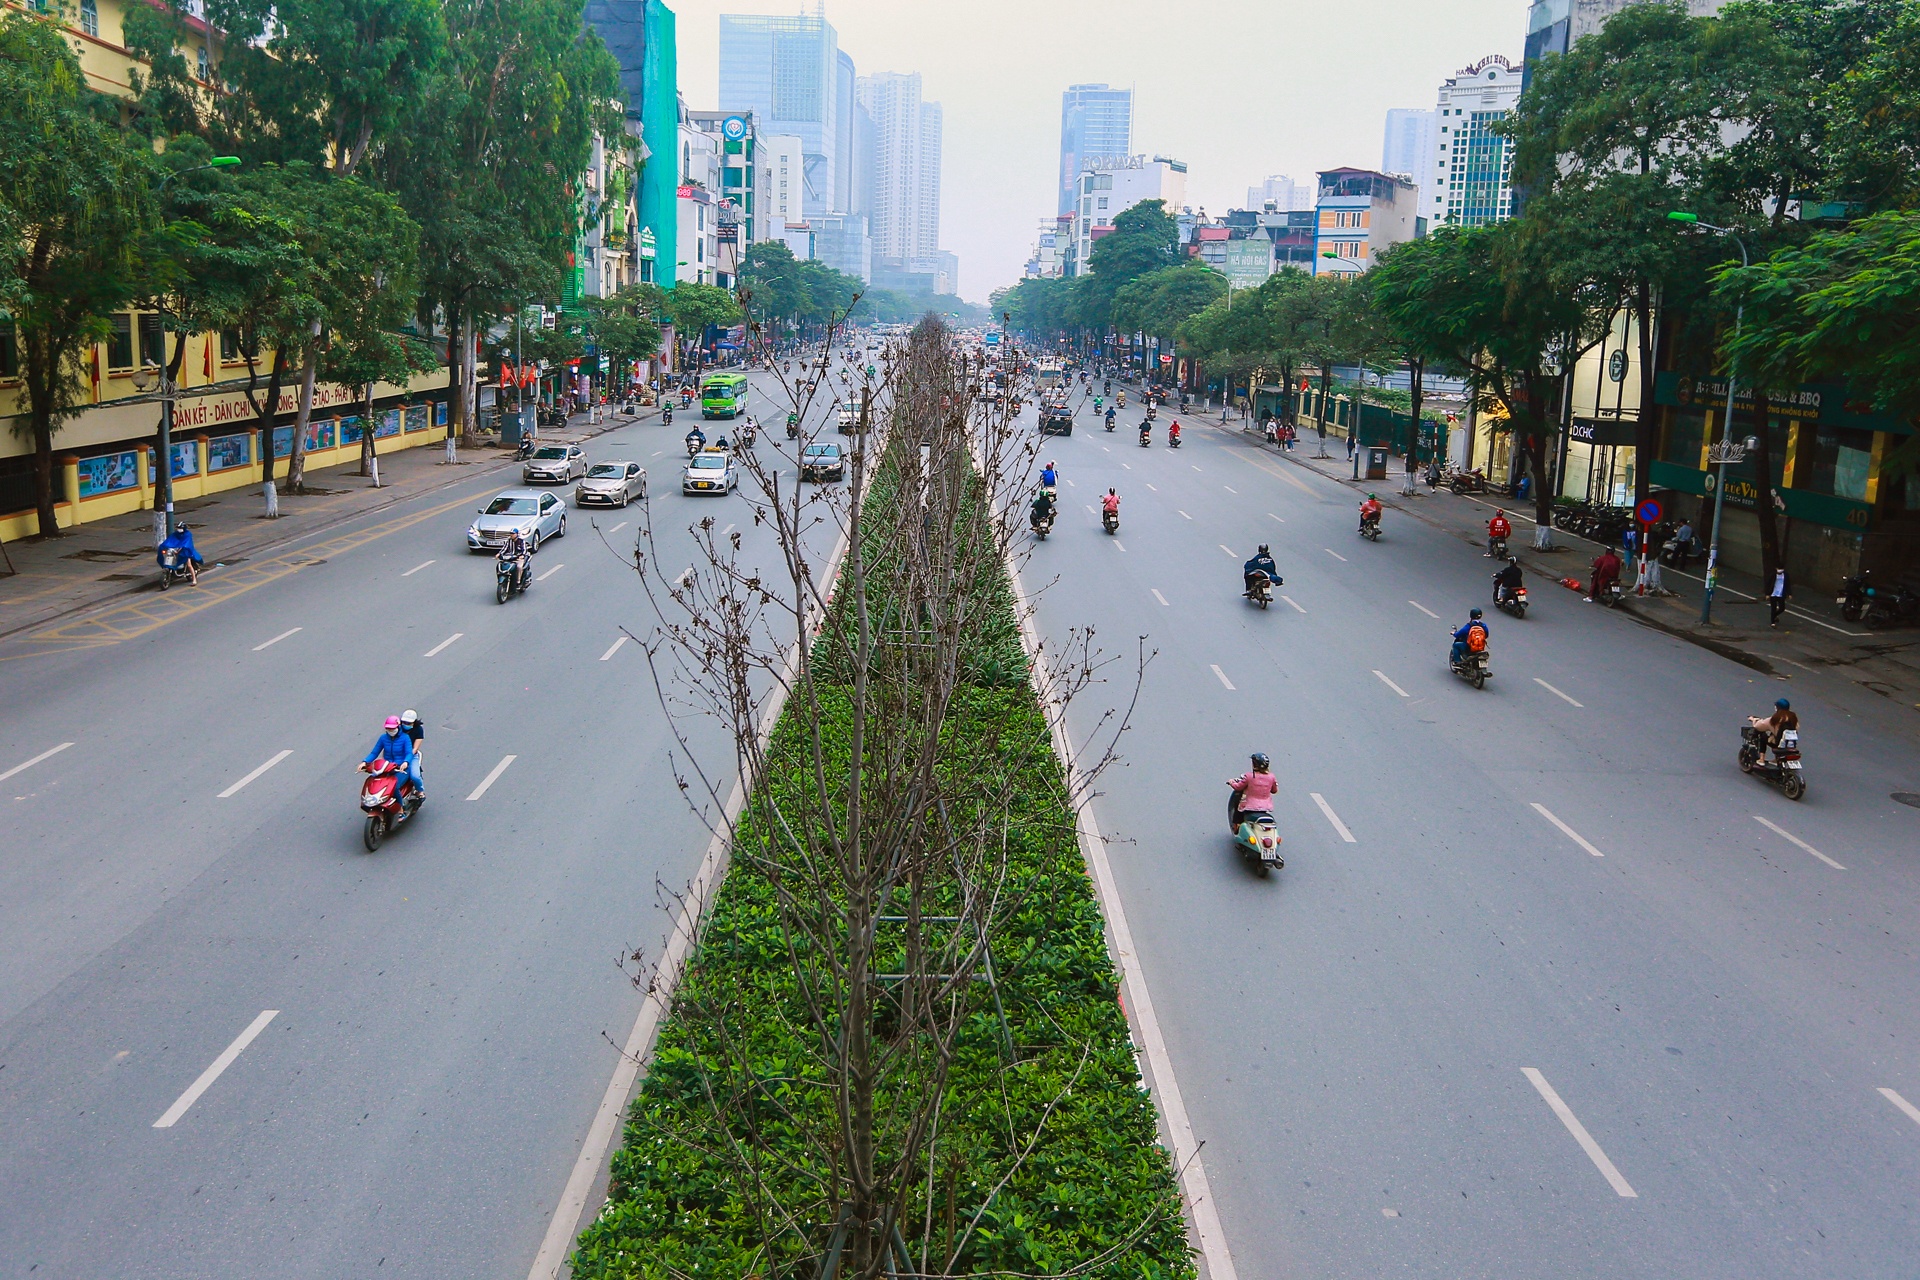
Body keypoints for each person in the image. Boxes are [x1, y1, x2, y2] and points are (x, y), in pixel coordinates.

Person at [362, 716, 418, 798]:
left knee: (393, 787)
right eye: (388, 729)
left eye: (392, 728)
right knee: (374, 784)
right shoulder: (383, 738)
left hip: (401, 769)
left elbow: (409, 753)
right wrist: (365, 762)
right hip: (386, 768)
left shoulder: (405, 738)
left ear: (398, 727)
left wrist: (406, 762)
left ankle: (400, 808)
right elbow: (374, 753)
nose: (390, 731)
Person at [1227, 752, 1279, 829]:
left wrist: (1231, 782)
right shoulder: (1272, 777)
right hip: (1265, 807)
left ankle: (1237, 826)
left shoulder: (1249, 776)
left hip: (1249, 806)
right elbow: (1274, 790)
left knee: (1238, 808)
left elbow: (1238, 787)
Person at [399, 709, 426, 798]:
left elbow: (415, 748)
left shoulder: (418, 730)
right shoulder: (397, 728)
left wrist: (407, 760)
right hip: (396, 755)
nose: (406, 725)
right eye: (404, 722)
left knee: (415, 776)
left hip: (411, 755)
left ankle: (420, 790)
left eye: (409, 723)